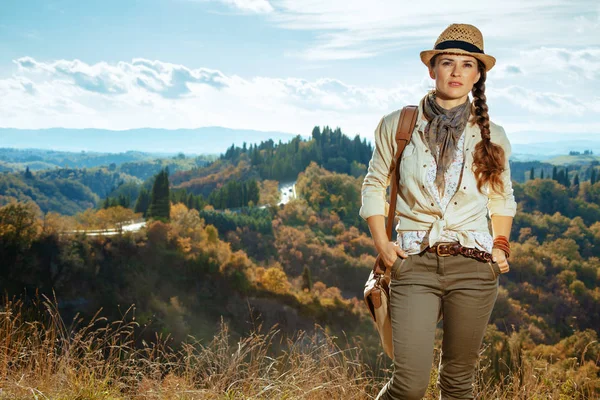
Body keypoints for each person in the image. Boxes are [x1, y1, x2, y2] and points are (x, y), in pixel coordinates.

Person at [359, 23, 517, 400]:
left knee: (458, 385)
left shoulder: (492, 134)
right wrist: (383, 246)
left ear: (478, 75)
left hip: (476, 268)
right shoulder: (398, 125)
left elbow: (502, 197)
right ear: (433, 70)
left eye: (467, 64)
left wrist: (501, 245)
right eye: (448, 62)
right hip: (413, 263)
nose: (457, 72)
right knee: (408, 385)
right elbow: (373, 184)